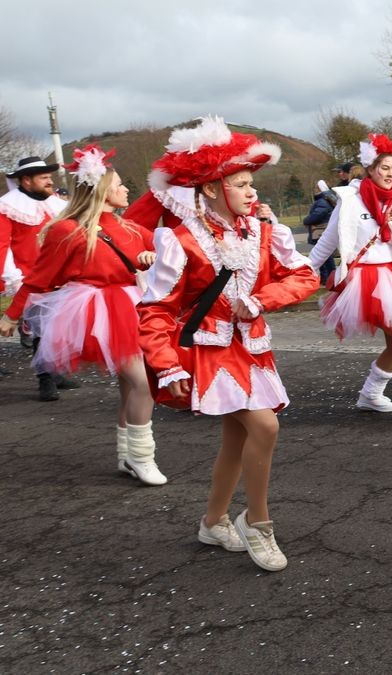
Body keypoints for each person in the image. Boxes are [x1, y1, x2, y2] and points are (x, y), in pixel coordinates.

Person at [136, 116, 320, 571]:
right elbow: (155, 309)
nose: (252, 192)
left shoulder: (261, 232)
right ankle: (257, 522)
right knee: (265, 427)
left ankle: (212, 521)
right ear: (214, 189)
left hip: (254, 349)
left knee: (237, 440)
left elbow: (305, 276)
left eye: (250, 183)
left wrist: (262, 299)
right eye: (240, 183)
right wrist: (167, 365)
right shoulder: (180, 241)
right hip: (211, 352)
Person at [0, 146, 164, 485]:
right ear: (102, 189)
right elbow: (39, 278)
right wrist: (12, 316)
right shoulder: (68, 230)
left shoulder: (131, 229)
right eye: (119, 184)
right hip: (99, 313)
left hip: (135, 308)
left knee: (129, 387)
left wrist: (152, 256)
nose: (125, 189)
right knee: (143, 384)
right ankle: (141, 456)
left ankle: (126, 457)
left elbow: (169, 254)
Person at [308, 133, 392, 422]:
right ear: (370, 168)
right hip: (365, 283)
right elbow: (326, 245)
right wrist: (301, 274)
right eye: (385, 168)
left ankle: (371, 394)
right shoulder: (349, 202)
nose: (390, 174)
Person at [0, 157, 71, 401]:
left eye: (50, 176)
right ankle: (45, 379)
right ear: (26, 180)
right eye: (44, 177)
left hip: (60, 275)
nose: (50, 181)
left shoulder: (55, 204)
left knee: (58, 327)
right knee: (42, 329)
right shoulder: (8, 206)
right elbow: (2, 245)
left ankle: (56, 372)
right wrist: (13, 277)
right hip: (29, 278)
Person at [301, 182, 337, 285]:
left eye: (316, 188)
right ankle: (327, 276)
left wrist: (306, 221)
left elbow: (318, 214)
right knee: (326, 255)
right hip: (321, 229)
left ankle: (328, 277)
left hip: (320, 230)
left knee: (324, 255)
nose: (314, 189)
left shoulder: (322, 201)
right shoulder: (325, 199)